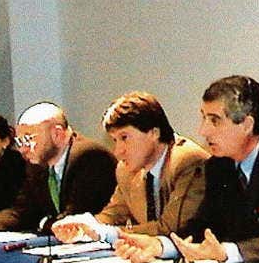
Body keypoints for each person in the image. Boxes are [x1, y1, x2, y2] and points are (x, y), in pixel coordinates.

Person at [116, 75, 259, 263]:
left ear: (247, 124)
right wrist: (161, 245)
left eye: (214, 120)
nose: (203, 131)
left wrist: (225, 253)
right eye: (203, 118)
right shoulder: (218, 165)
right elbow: (202, 226)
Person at [52, 92, 208, 244]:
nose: (118, 151)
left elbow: (171, 230)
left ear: (154, 132)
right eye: (115, 140)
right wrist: (84, 226)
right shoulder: (125, 170)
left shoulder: (187, 161)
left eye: (124, 138)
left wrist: (106, 233)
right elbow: (112, 215)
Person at [0, 102, 116, 235]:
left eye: (29, 139)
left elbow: (72, 219)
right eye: (20, 141)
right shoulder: (37, 163)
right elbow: (23, 210)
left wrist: (42, 222)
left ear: (57, 134)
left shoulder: (89, 157)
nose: (23, 149)